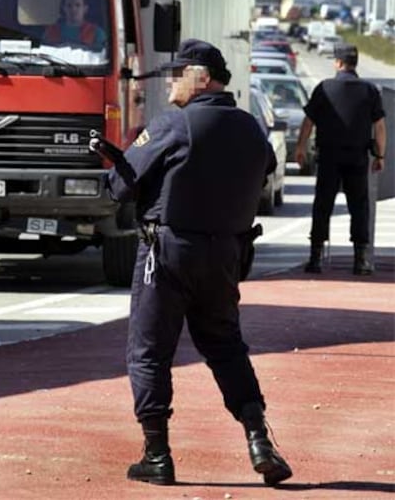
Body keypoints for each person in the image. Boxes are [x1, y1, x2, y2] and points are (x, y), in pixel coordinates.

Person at [89, 39, 293, 487]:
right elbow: (263, 170)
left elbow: (120, 189)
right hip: (226, 256)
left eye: (177, 75)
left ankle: (157, 454)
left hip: (168, 253)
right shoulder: (251, 128)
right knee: (225, 346)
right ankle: (259, 438)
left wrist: (116, 167)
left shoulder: (175, 124)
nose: (170, 85)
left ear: (201, 78)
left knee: (148, 352)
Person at [295, 42, 386, 275]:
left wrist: (301, 147)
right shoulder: (369, 90)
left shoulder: (324, 88)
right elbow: (380, 127)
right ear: (355, 63)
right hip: (357, 157)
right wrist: (380, 155)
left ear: (338, 63)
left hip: (329, 156)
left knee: (323, 205)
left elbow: (308, 122)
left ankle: (315, 258)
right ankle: (361, 260)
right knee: (359, 207)